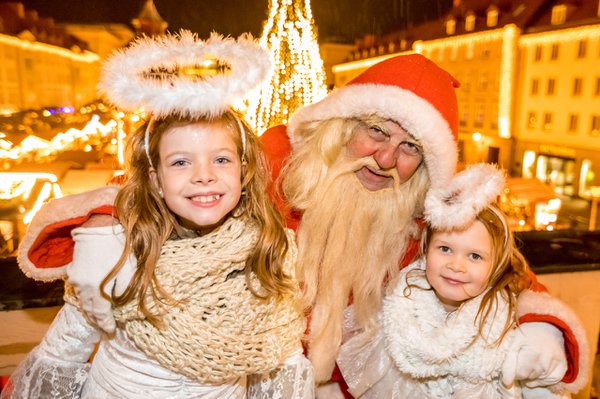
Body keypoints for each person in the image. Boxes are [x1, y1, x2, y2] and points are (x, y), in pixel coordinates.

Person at [17, 53, 586, 398]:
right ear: (341, 123)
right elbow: (162, 185)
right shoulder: (270, 163)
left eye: (410, 147)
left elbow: (503, 264)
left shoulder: (423, 208)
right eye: (376, 132)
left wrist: (541, 327)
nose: (386, 160)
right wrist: (100, 235)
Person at [4, 32, 313, 399]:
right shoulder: (114, 252)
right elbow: (62, 355)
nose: (204, 175)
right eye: (181, 161)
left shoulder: (267, 248)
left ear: (243, 171)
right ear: (156, 179)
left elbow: (280, 359)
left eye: (221, 159)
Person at [336, 164, 589, 398]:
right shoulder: (397, 304)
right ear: (426, 249)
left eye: (475, 256)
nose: (456, 266)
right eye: (445, 249)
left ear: (496, 265)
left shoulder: (508, 324)